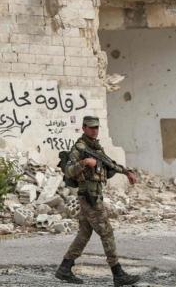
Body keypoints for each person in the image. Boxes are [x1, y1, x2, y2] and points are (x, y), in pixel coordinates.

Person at [54, 115, 141, 286]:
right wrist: (84, 162)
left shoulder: (96, 148)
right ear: (84, 128)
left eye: (96, 128)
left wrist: (127, 172)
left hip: (94, 195)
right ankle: (118, 273)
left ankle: (64, 268)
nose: (94, 131)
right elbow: (69, 171)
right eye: (91, 127)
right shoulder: (79, 148)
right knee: (106, 232)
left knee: (84, 234)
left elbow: (110, 163)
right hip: (89, 197)